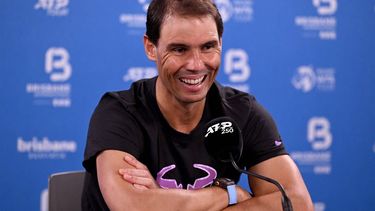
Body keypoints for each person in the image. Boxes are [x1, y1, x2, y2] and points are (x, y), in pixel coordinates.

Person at [82, 0, 313, 210]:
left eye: (207, 47)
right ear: (151, 47)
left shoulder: (243, 112)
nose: (195, 64)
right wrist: (228, 195)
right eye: (180, 49)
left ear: (221, 43)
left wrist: (163, 199)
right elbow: (133, 206)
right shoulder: (119, 112)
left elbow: (297, 204)